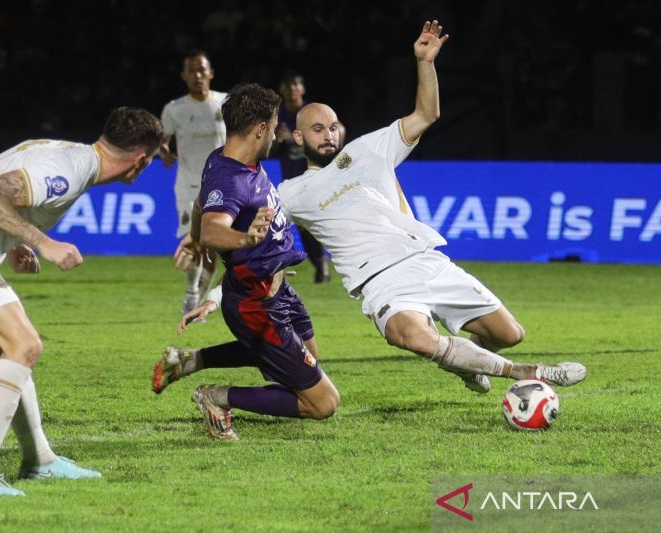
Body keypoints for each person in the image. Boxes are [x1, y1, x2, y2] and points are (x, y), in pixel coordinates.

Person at [172, 21, 586, 398]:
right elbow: (259, 249)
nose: (328, 134)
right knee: (415, 337)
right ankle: (529, 373)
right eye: (317, 128)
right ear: (297, 136)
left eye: (333, 126)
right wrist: (215, 294)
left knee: (509, 332)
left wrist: (425, 63)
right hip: (380, 282)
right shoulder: (288, 192)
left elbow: (427, 114)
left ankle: (465, 362)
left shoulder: (369, 149)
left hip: (425, 260)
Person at [0, 107, 163, 495]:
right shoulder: (67, 172)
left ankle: (39, 459)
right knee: (23, 345)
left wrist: (15, 240)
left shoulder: (65, 152)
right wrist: (43, 243)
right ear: (141, 161)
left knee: (13, 348)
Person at [157, 83, 340, 441]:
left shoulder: (224, 159)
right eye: (273, 127)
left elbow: (200, 208)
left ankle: (193, 360)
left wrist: (194, 236)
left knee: (301, 359)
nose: (275, 134)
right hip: (257, 303)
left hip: (280, 292)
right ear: (260, 129)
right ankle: (217, 398)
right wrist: (241, 238)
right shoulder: (232, 181)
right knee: (324, 403)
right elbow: (214, 228)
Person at [160, 50, 227, 315]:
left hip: (221, 186)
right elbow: (163, 141)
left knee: (210, 245)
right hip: (188, 185)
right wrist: (164, 152)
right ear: (184, 75)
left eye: (202, 70)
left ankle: (198, 299)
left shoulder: (226, 103)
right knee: (194, 242)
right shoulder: (174, 109)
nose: (198, 76)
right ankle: (191, 295)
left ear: (211, 73)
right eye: (192, 71)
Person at [273, 72, 332, 283]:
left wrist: (294, 139)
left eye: (296, 85)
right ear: (282, 90)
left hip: (315, 177)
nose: (292, 89)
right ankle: (320, 263)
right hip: (291, 180)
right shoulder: (277, 117)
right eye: (288, 86)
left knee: (314, 223)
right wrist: (277, 141)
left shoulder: (312, 113)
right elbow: (268, 149)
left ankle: (323, 263)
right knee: (302, 225)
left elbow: (326, 141)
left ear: (302, 89)